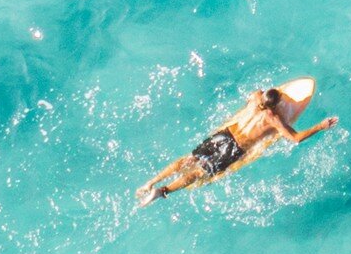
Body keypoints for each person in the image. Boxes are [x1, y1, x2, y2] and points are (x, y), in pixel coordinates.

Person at [135, 87, 338, 206]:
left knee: (189, 159)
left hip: (225, 134)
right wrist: (321, 126)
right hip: (235, 148)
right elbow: (295, 139)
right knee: (197, 173)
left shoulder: (256, 97)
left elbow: (250, 95)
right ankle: (162, 191)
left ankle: (150, 183)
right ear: (275, 105)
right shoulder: (274, 119)